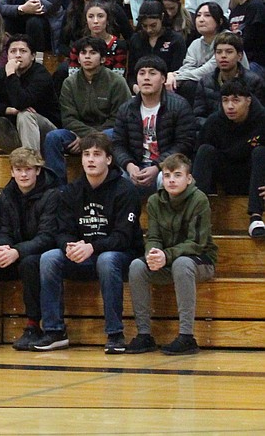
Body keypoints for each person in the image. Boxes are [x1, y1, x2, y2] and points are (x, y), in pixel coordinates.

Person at [33, 132, 144, 352]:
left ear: (109, 159)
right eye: (86, 154)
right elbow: (62, 231)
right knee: (49, 258)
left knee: (107, 259)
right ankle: (54, 331)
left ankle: (115, 334)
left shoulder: (126, 190)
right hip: (83, 255)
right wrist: (69, 247)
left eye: (97, 154)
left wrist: (92, 247)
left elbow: (123, 237)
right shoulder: (71, 191)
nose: (90, 159)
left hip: (120, 256)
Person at [0, 147, 60, 351]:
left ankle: (33, 326)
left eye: (28, 169)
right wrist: (1, 246)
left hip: (38, 254)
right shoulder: (7, 194)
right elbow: (3, 228)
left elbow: (47, 237)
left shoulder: (52, 195)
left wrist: (17, 251)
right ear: (12, 172)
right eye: (19, 169)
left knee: (30, 264)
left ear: (38, 170)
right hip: (13, 251)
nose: (23, 174)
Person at [126, 153, 217, 356]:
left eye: (177, 175)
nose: (172, 180)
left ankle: (187, 336)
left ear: (189, 178)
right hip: (169, 260)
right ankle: (144, 335)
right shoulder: (154, 201)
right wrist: (153, 253)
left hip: (200, 261)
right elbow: (154, 236)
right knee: (137, 266)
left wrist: (166, 256)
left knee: (182, 264)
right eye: (167, 176)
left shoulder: (199, 200)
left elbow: (197, 243)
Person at [43, 36, 131, 182]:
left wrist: (89, 140)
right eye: (83, 53)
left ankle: (116, 182)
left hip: (106, 133)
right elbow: (68, 119)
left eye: (93, 53)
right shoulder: (69, 83)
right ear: (78, 58)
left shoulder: (116, 82)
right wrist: (86, 137)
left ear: (103, 59)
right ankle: (57, 189)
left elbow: (120, 118)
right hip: (77, 134)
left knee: (114, 134)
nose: (87, 57)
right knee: (53, 137)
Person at [112, 56, 197, 193]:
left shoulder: (179, 106)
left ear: (163, 79)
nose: (146, 78)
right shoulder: (126, 108)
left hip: (168, 165)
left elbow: (184, 143)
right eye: (142, 73)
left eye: (152, 73)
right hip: (135, 164)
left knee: (167, 179)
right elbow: (117, 143)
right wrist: (128, 165)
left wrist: (158, 166)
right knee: (118, 179)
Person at [0, 35, 60, 154]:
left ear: (33, 56)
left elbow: (21, 102)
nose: (18, 55)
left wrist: (11, 74)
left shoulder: (40, 74)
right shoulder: (0, 74)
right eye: (13, 51)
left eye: (23, 51)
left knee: (25, 115)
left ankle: (30, 165)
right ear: (8, 55)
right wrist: (8, 110)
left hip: (47, 135)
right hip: (16, 134)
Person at [193, 77, 265, 200]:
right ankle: (196, 210)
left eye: (236, 100)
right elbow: (196, 156)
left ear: (248, 101)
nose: (230, 106)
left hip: (256, 176)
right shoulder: (214, 122)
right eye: (225, 101)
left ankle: (256, 215)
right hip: (226, 174)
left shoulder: (262, 119)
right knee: (205, 150)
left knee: (260, 152)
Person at [192, 32, 265, 123]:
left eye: (229, 52)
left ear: (239, 56)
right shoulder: (205, 82)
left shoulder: (254, 81)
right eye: (219, 52)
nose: (223, 56)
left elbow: (259, 117)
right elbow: (198, 116)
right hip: (214, 132)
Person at [169, 2, 234, 103]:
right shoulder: (196, 43)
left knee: (189, 85)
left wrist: (176, 77)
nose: (201, 19)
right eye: (198, 15)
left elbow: (208, 70)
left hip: (231, 84)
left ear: (220, 21)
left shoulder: (228, 39)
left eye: (207, 15)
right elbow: (188, 66)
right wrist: (173, 75)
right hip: (208, 86)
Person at [126, 0, 186, 88]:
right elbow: (131, 74)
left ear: (162, 17)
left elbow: (177, 71)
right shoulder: (136, 39)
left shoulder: (175, 40)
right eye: (144, 26)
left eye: (153, 25)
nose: (149, 30)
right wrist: (135, 87)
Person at [228, 0, 265, 72]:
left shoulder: (256, 5)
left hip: (255, 62)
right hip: (239, 58)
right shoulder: (235, 9)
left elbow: (252, 39)